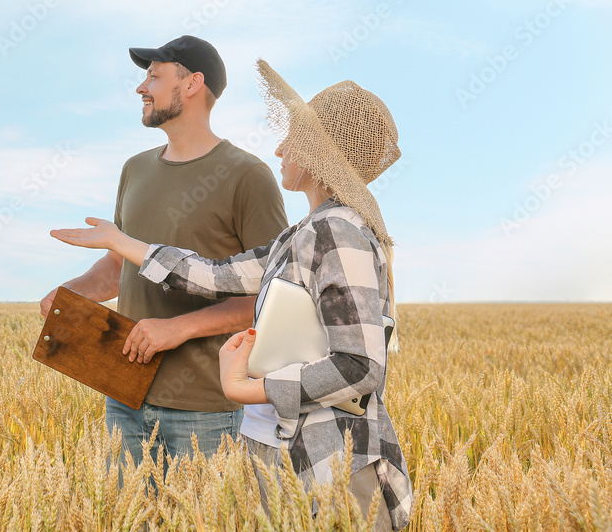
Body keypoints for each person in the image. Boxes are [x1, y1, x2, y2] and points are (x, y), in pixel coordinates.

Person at [50, 59, 412, 530]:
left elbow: (360, 365)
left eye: (295, 138)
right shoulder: (302, 235)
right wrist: (124, 243)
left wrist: (249, 388)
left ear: (322, 153)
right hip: (279, 449)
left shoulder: (338, 233)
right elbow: (217, 275)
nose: (281, 147)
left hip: (328, 462)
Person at [40, 36, 289, 470]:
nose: (141, 88)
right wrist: (69, 294)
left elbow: (272, 296)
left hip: (207, 407)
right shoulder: (134, 169)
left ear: (192, 83)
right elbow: (118, 267)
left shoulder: (249, 175)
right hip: (125, 394)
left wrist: (178, 329)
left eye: (154, 76)